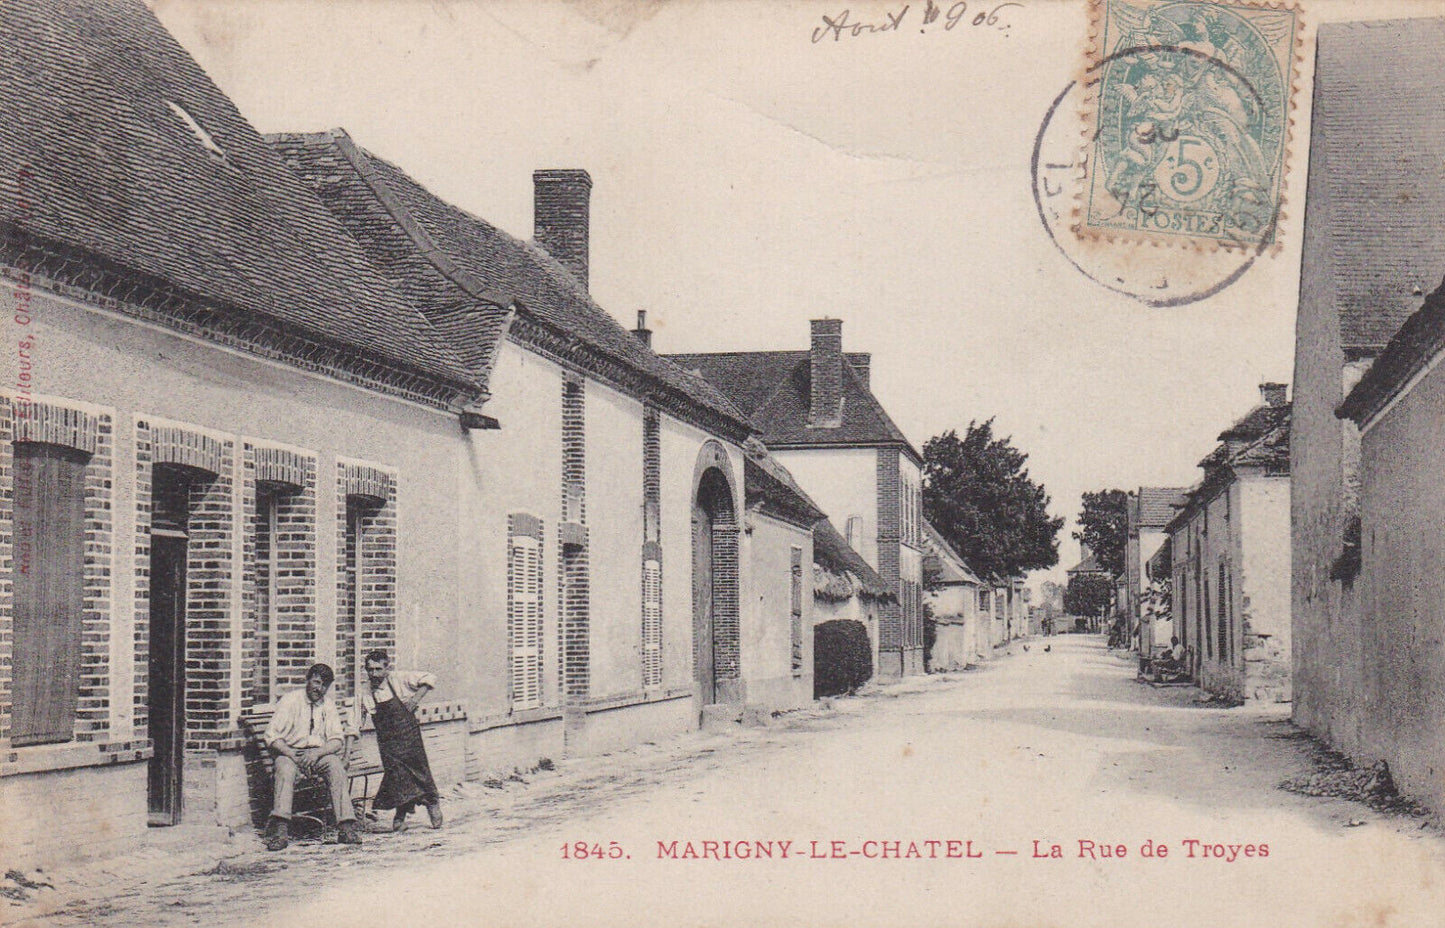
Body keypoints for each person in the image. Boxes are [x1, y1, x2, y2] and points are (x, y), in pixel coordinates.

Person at [262, 662, 361, 850]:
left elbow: (337, 740)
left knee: (335, 766)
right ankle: (281, 831)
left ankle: (346, 827)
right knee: (284, 769)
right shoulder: (290, 701)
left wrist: (316, 753)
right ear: (307, 680)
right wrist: (291, 753)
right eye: (316, 682)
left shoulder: (328, 705)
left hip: (317, 754)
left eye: (324, 685)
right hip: (291, 752)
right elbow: (272, 736)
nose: (319, 688)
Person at [355, 650, 443, 831]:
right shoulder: (365, 691)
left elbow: (429, 678)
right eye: (370, 670)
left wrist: (414, 699)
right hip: (387, 740)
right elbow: (358, 719)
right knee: (396, 775)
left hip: (407, 733)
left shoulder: (398, 679)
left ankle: (432, 803)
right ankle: (401, 811)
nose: (374, 674)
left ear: (387, 668)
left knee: (419, 769)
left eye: (378, 669)